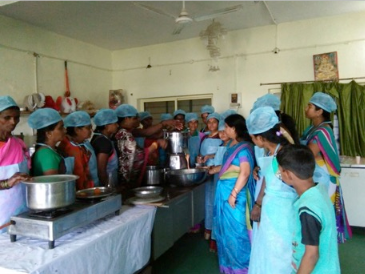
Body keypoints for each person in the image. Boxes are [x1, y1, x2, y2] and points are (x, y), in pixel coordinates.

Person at [247, 106, 298, 274]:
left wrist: (259, 203)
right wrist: (259, 203)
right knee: (267, 253)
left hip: (282, 213)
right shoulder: (273, 152)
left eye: (253, 137)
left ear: (260, 138)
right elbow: (268, 180)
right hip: (271, 210)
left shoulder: (285, 154)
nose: (253, 140)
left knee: (279, 254)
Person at [276, 144, 340, 274]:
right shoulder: (318, 190)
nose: (279, 174)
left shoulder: (308, 209)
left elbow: (312, 256)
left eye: (280, 170)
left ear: (288, 174)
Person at [300, 92, 351, 243]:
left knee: (321, 214)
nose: (306, 108)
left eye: (310, 106)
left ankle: (322, 250)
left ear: (319, 111)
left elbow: (308, 154)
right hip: (315, 175)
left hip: (324, 179)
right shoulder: (311, 129)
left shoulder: (322, 131)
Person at [212, 114, 255, 273]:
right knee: (225, 233)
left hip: (235, 198)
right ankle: (229, 268)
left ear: (234, 128)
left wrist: (234, 193)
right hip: (225, 195)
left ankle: (242, 269)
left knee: (237, 234)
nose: (224, 130)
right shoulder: (232, 145)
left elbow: (244, 172)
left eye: (227, 127)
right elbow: (229, 167)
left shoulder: (243, 147)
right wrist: (213, 170)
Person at [114, 104, 168, 195]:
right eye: (135, 118)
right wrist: (155, 145)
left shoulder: (128, 131)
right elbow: (137, 156)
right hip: (125, 181)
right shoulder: (123, 134)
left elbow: (147, 133)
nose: (138, 120)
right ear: (127, 118)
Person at [0, 96, 30, 233]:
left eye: (16, 117)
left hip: (21, 210)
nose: (13, 122)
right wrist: (7, 183)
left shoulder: (18, 144)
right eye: (7, 117)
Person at [197, 112, 222, 242]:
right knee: (207, 200)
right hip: (205, 172)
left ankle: (215, 233)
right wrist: (200, 159)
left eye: (214, 122)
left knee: (215, 200)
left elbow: (224, 152)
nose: (211, 124)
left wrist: (211, 156)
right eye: (209, 122)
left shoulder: (223, 136)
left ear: (219, 123)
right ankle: (207, 228)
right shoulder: (204, 138)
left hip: (218, 172)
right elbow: (200, 153)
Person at [28, 108, 74, 176]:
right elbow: (52, 184)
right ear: (48, 133)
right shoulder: (47, 155)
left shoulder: (50, 150)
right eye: (60, 128)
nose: (65, 130)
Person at [58, 111, 95, 190]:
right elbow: (80, 176)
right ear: (77, 130)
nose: (91, 130)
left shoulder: (82, 143)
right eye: (88, 128)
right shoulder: (71, 148)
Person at [90, 109, 119, 187]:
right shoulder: (103, 142)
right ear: (107, 126)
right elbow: (101, 170)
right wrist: (108, 188)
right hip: (105, 185)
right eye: (115, 123)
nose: (117, 125)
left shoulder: (99, 137)